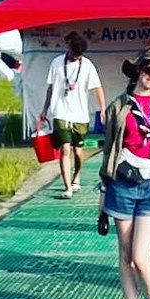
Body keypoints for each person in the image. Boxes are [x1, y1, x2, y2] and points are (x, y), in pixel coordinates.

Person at [99, 46, 150, 299]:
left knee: (142, 256)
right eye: (148, 70)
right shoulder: (119, 106)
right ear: (138, 70)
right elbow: (109, 152)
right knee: (126, 256)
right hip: (124, 185)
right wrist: (102, 200)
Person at [39, 33, 105, 199]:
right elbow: (50, 88)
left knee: (78, 151)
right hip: (60, 112)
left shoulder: (87, 65)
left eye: (79, 55)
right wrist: (45, 109)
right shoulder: (56, 63)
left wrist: (103, 109)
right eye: (74, 53)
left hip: (80, 115)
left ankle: (77, 176)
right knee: (65, 148)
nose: (76, 57)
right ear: (68, 48)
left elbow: (97, 88)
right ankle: (67, 186)